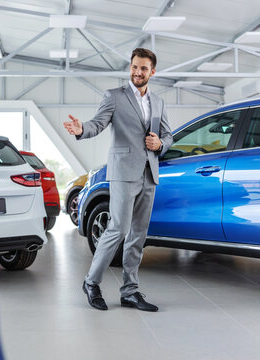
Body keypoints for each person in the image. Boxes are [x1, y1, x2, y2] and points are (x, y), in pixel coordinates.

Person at [63, 48, 173, 312]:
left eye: (143, 68)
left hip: (149, 173)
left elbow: (168, 137)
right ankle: (92, 283)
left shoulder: (158, 102)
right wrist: (82, 129)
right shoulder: (114, 96)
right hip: (123, 172)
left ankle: (130, 291)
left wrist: (160, 144)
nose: (137, 72)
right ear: (130, 68)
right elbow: (97, 124)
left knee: (138, 235)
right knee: (118, 229)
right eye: (134, 67)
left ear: (152, 72)